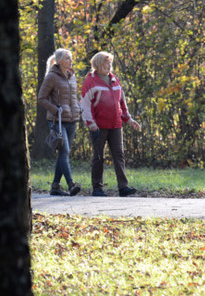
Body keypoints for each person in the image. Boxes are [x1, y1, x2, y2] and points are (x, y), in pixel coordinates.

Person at [80, 51, 140, 197]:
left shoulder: (115, 80)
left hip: (116, 124)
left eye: (110, 63)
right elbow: (85, 104)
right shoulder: (90, 81)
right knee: (99, 156)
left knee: (119, 155)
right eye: (105, 63)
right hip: (98, 126)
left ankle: (123, 187)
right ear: (97, 65)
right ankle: (97, 188)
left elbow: (122, 102)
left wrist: (129, 119)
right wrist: (90, 122)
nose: (109, 66)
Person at [38, 48, 82, 196]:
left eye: (71, 57)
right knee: (65, 151)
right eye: (68, 58)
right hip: (58, 120)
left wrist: (78, 109)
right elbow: (41, 98)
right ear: (60, 61)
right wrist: (55, 110)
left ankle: (55, 187)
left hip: (72, 119)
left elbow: (72, 97)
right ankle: (71, 184)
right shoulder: (51, 76)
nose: (71, 60)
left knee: (64, 154)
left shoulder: (72, 75)